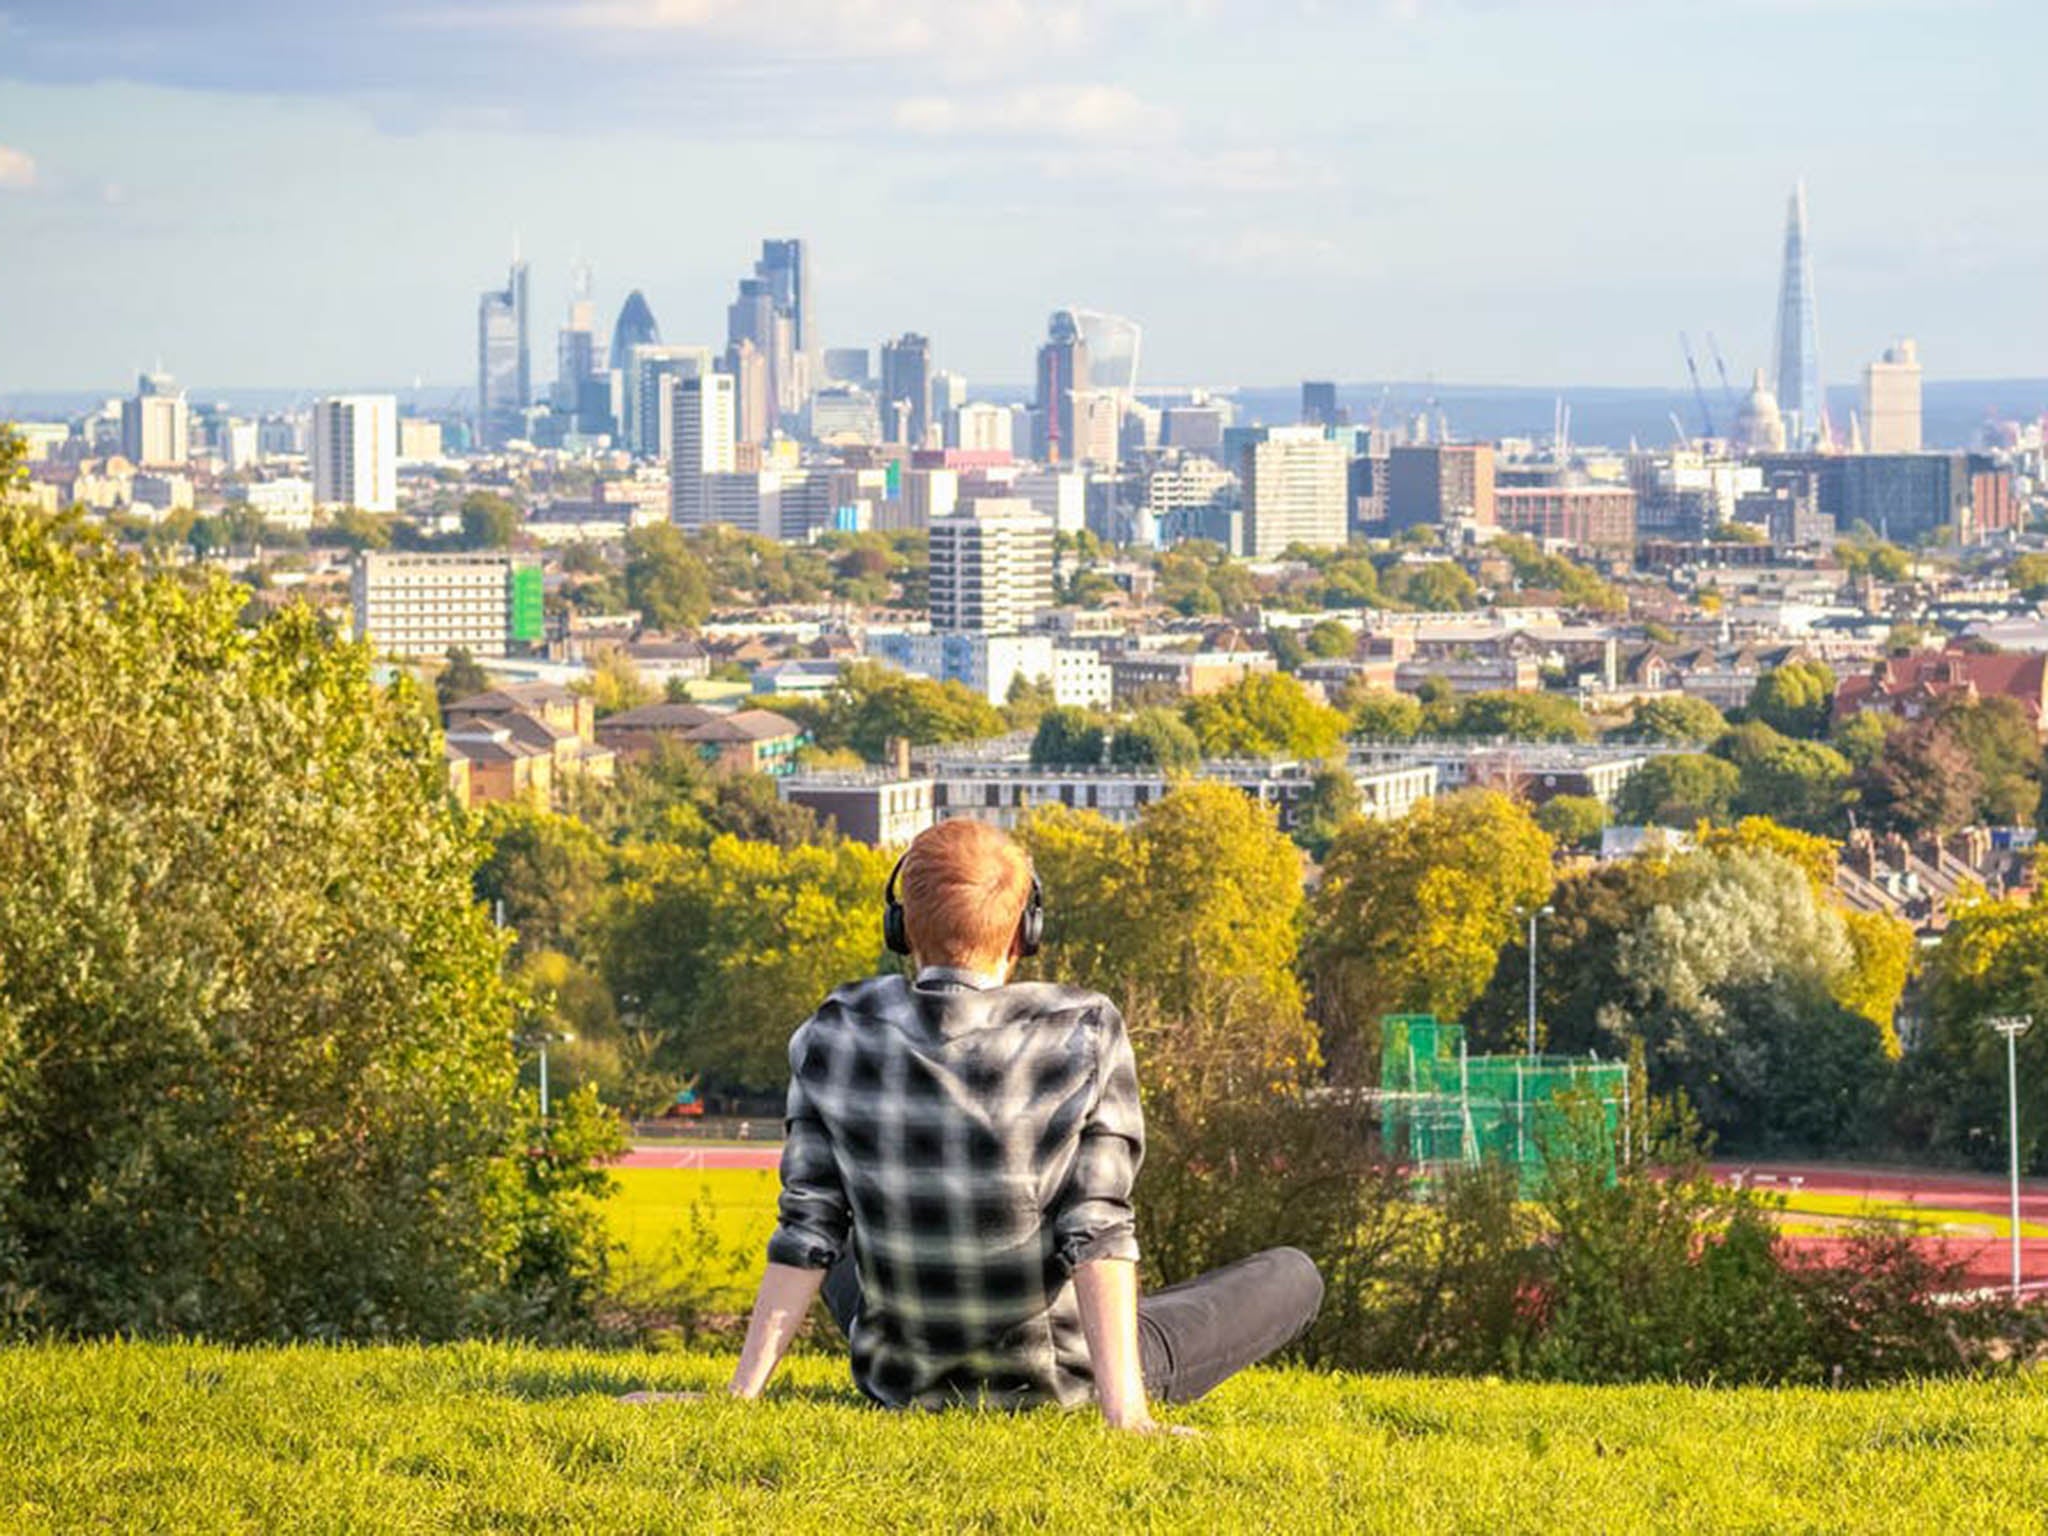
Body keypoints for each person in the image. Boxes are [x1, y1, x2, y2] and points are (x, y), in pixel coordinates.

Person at [718, 819, 1322, 1431]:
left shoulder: (836, 1028)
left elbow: (808, 1227)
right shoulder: (1083, 1030)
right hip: (1055, 1380)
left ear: (901, 928)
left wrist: (741, 1395)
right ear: (1024, 932)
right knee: (1294, 1273)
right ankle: (1116, 1375)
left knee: (837, 1229)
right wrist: (1129, 1416)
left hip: (901, 1379)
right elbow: (1098, 1230)